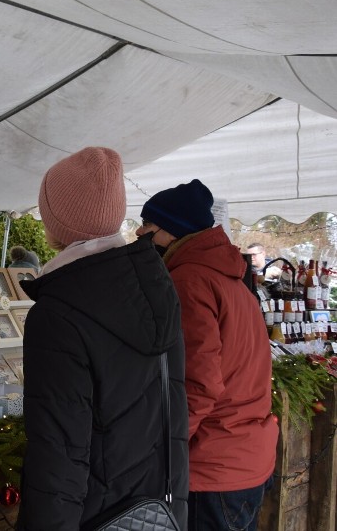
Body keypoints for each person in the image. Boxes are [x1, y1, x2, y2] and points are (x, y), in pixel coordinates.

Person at [17, 147, 189, 530]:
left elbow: (58, 457)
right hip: (157, 513)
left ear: (55, 220)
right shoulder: (156, 285)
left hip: (94, 516)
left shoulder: (58, 312)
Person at [137, 179, 277, 531]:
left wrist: (160, 454)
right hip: (243, 459)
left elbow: (197, 385)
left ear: (171, 231)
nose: (140, 232)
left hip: (211, 466)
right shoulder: (230, 280)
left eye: (148, 225)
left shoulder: (189, 281)